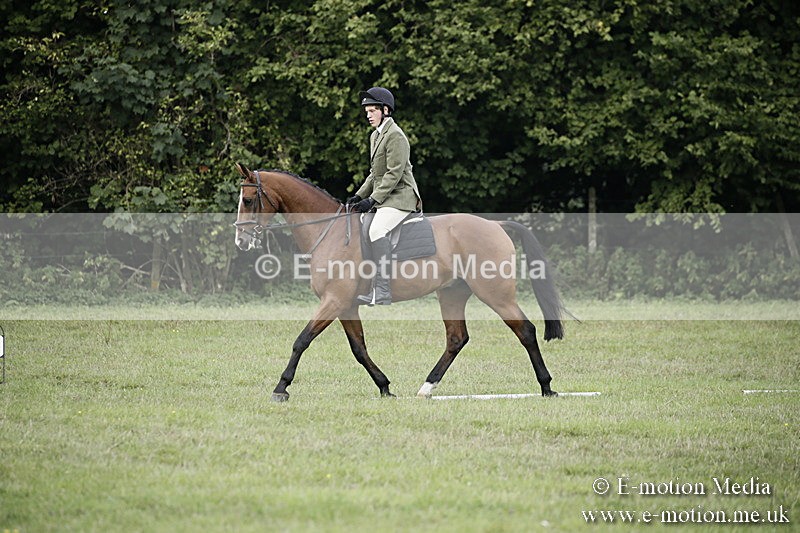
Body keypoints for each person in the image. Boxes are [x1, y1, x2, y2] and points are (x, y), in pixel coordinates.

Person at [347, 87, 421, 306]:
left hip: (401, 196)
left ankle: (382, 290)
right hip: (386, 196)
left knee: (377, 229)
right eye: (367, 111)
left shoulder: (396, 136)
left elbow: (394, 174)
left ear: (385, 110)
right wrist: (358, 195)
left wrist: (373, 200)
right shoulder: (375, 135)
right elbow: (374, 173)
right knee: (361, 222)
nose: (368, 115)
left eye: (372, 110)